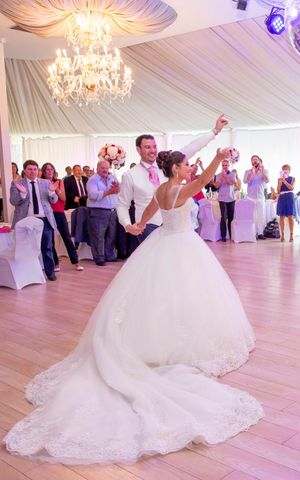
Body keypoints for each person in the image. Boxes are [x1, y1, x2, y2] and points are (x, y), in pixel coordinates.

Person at [3, 125, 263, 465]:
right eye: (185, 165)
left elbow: (146, 217)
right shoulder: (183, 190)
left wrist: (136, 226)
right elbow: (204, 181)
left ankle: (159, 337)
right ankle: (181, 343)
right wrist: (216, 157)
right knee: (189, 296)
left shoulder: (161, 192)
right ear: (176, 169)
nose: (189, 168)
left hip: (162, 244)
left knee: (157, 298)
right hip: (184, 247)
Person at [117, 116, 228, 242]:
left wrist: (215, 131)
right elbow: (123, 205)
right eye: (148, 147)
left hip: (174, 228)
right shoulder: (130, 175)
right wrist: (128, 225)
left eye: (154, 146)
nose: (153, 150)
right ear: (138, 149)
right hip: (148, 227)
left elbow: (193, 146)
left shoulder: (167, 165)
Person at [9, 160, 58, 281]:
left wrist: (52, 192)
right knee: (25, 248)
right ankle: (25, 273)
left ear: (38, 171)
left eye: (35, 169)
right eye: (30, 169)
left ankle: (50, 272)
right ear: (25, 170)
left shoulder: (46, 183)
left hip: (44, 219)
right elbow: (13, 201)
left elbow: (54, 200)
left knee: (47, 247)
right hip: (25, 220)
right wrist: (23, 195)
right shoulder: (17, 183)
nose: (32, 172)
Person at [40, 162, 83, 272]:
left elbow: (63, 198)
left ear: (54, 171)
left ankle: (76, 262)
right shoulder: (40, 183)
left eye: (51, 169)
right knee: (50, 240)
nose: (49, 171)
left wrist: (55, 189)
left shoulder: (59, 181)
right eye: (47, 170)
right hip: (46, 214)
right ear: (44, 172)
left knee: (66, 237)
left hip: (59, 212)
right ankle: (56, 263)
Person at [86, 160, 120, 266]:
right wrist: (109, 191)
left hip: (112, 211)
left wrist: (118, 188)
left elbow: (119, 190)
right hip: (98, 211)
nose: (105, 170)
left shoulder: (112, 178)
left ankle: (109, 255)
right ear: (97, 168)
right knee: (98, 235)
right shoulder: (92, 180)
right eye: (103, 168)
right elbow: (93, 195)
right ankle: (99, 257)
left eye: (107, 168)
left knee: (111, 235)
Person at [213, 159, 240, 242]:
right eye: (223, 165)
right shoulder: (218, 175)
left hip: (231, 199)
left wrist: (225, 176)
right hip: (222, 199)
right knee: (224, 218)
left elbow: (231, 183)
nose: (224, 166)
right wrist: (222, 177)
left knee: (231, 218)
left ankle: (232, 236)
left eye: (226, 165)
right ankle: (223, 236)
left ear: (228, 166)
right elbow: (216, 186)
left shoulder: (232, 174)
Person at [244, 155, 270, 238]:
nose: (254, 161)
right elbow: (245, 181)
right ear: (251, 162)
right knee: (250, 216)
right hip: (250, 197)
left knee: (260, 216)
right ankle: (251, 233)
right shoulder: (247, 171)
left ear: (259, 161)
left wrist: (261, 172)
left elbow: (267, 180)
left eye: (256, 159)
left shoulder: (265, 171)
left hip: (260, 197)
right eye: (253, 160)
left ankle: (260, 233)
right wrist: (252, 172)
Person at [276, 164, 295, 242]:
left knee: (290, 216)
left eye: (287, 169)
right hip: (282, 197)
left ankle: (291, 234)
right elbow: (278, 191)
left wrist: (285, 182)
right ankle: (282, 235)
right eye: (284, 169)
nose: (285, 171)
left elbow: (291, 188)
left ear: (289, 171)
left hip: (290, 196)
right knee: (281, 216)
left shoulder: (293, 178)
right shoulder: (279, 179)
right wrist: (280, 183)